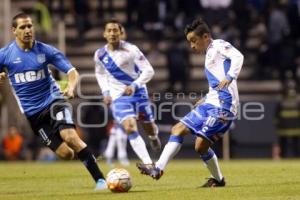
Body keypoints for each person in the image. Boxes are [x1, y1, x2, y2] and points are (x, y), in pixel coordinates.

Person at [0, 13, 107, 190]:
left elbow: (72, 72)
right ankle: (84, 155)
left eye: (30, 26)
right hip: (33, 115)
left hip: (54, 101)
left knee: (71, 137)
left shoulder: (45, 50)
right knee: (66, 154)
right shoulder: (5, 55)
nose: (28, 30)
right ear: (14, 31)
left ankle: (100, 180)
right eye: (23, 27)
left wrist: (71, 87)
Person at [137, 17, 244, 187]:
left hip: (224, 107)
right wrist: (207, 97)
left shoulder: (218, 46)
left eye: (194, 41)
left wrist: (231, 76)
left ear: (206, 36)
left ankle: (218, 179)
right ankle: (158, 168)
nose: (192, 46)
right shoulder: (209, 54)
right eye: (190, 42)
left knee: (200, 146)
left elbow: (238, 56)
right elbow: (217, 84)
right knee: (177, 129)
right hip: (211, 103)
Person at [94, 19, 161, 167]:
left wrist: (135, 85)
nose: (112, 33)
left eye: (115, 30)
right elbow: (100, 74)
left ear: (120, 33)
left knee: (149, 126)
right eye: (109, 30)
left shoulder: (131, 50)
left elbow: (149, 70)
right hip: (119, 96)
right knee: (129, 127)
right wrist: (105, 92)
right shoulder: (99, 55)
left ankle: (153, 136)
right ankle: (148, 163)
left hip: (138, 93)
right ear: (104, 34)